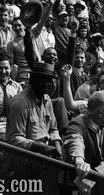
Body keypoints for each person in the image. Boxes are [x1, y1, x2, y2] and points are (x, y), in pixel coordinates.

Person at [6, 62, 63, 193]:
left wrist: (57, 145)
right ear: (33, 81)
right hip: (25, 154)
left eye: (50, 81)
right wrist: (41, 148)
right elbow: (14, 139)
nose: (48, 85)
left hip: (46, 150)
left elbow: (53, 129)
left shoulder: (47, 99)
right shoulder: (19, 103)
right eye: (43, 80)